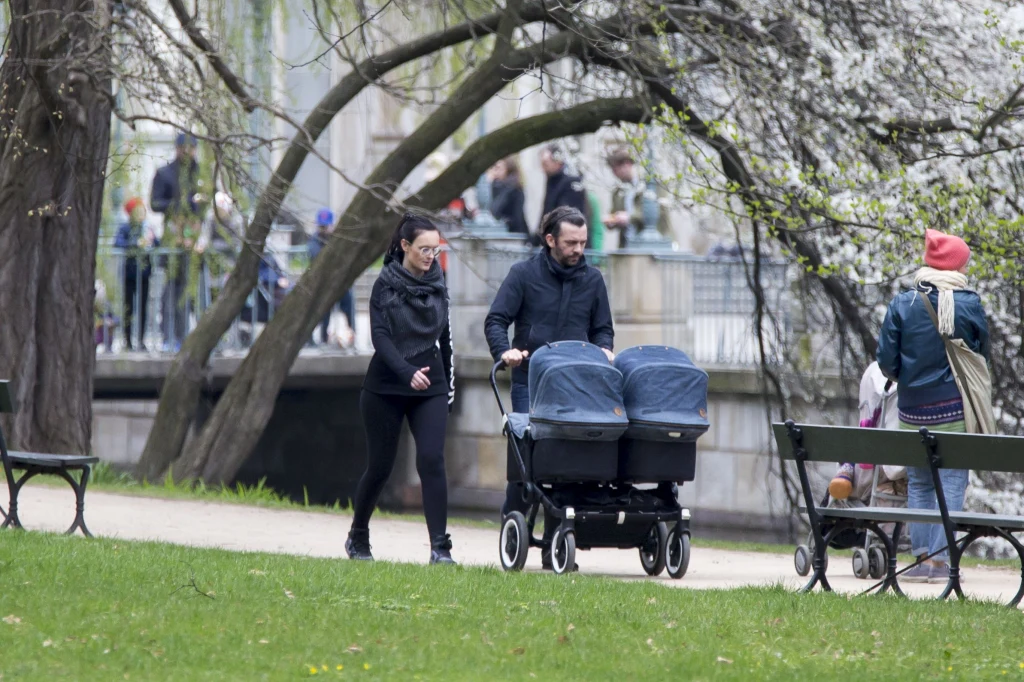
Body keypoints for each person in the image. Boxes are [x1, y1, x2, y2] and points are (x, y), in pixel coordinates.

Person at [484, 205, 615, 568]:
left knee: (569, 462)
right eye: (571, 242)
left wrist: (605, 349)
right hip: (529, 381)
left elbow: (603, 328)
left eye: (583, 242)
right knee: (528, 460)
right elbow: (496, 319)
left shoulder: (593, 280)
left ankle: (556, 545)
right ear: (550, 239)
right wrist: (504, 350)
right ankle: (515, 527)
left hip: (576, 387)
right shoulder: (523, 275)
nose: (578, 249)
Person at [876, 228, 990, 583]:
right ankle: (942, 564)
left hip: (911, 414)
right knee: (952, 483)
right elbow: (982, 353)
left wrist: (907, 378)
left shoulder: (903, 303)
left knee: (921, 484)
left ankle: (922, 559)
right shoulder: (967, 303)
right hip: (954, 411)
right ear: (956, 264)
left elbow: (886, 361)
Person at [346, 213, 456, 565]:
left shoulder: (439, 284)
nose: (431, 257)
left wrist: (447, 389)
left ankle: (440, 547)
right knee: (380, 466)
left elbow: (446, 340)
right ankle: (358, 536)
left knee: (432, 459)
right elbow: (380, 337)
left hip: (432, 384)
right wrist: (406, 371)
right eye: (424, 249)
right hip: (386, 385)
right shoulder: (385, 286)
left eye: (435, 250)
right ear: (405, 246)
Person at [151, 132, 207, 351]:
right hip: (173, 239)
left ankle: (193, 336)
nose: (187, 152)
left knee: (195, 290)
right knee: (172, 291)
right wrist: (178, 206)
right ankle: (170, 336)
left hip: (195, 239)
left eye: (191, 148)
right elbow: (155, 203)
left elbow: (209, 201)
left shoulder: (201, 173)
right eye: (184, 147)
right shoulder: (165, 174)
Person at [603, 147, 672, 248]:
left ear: (627, 164)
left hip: (653, 245)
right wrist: (612, 221)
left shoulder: (652, 184)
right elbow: (614, 213)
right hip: (627, 246)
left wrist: (630, 217)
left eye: (615, 169)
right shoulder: (618, 192)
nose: (614, 174)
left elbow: (660, 208)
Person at [114, 197, 158, 351]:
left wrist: (152, 240)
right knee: (129, 307)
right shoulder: (125, 228)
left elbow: (157, 243)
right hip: (130, 274)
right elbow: (118, 243)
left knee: (143, 308)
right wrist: (135, 244)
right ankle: (127, 340)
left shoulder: (147, 228)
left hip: (144, 274)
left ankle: (141, 339)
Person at [308, 208, 356, 347]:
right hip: (322, 285)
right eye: (321, 226)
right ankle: (323, 338)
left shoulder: (339, 240)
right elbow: (315, 256)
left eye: (326, 226)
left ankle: (352, 334)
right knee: (323, 311)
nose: (324, 229)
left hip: (340, 284)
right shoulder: (314, 241)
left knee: (349, 304)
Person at [540, 144, 588, 229]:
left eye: (546, 164)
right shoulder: (552, 180)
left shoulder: (571, 181)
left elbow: (568, 215)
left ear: (558, 162)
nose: (543, 169)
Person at [488, 157, 528, 236]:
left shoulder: (514, 189)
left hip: (513, 234)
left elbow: (495, 210)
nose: (495, 171)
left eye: (498, 168)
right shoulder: (497, 186)